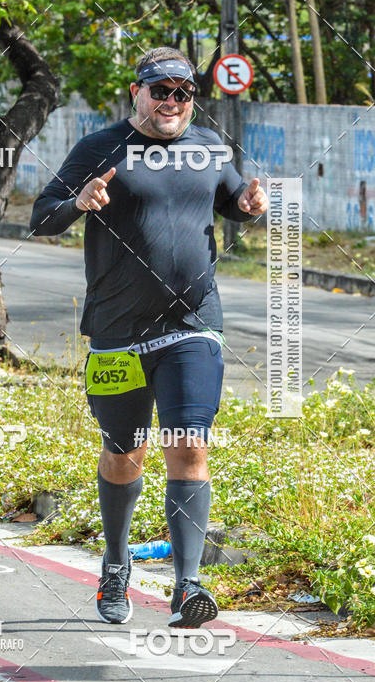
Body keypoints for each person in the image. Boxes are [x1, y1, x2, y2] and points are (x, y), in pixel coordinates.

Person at [30, 47, 268, 627]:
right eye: (159, 90)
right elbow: (42, 215)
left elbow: (231, 198)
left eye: (182, 93)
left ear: (193, 98)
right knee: (125, 451)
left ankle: (187, 586)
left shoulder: (210, 146)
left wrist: (249, 203)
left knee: (188, 443)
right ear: (136, 92)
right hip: (117, 332)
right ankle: (115, 563)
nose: (171, 102)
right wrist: (77, 202)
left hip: (193, 325)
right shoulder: (101, 148)